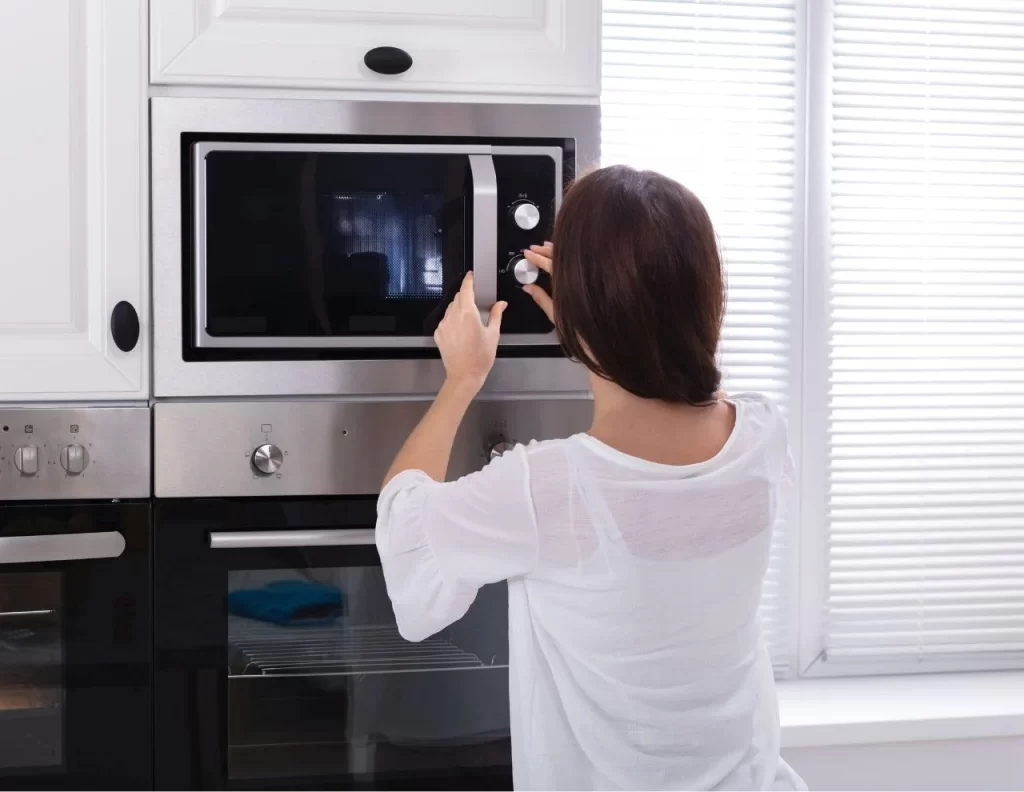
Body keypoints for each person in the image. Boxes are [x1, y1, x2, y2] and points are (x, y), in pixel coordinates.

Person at [375, 165, 804, 790]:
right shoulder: (763, 433)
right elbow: (675, 406)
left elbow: (406, 529)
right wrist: (592, 325)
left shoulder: (548, 487)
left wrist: (463, 378)